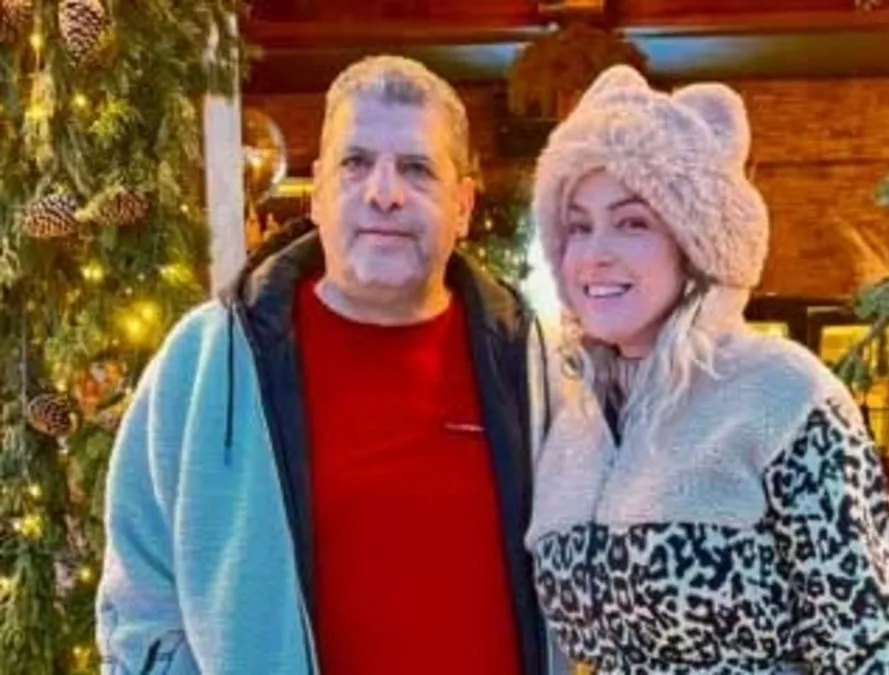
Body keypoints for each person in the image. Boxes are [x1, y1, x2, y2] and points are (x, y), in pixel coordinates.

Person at [97, 55, 555, 674]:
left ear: (464, 206)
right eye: (355, 163)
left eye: (417, 168)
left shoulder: (533, 365)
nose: (384, 194)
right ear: (316, 193)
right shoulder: (208, 363)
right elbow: (140, 604)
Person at [525, 65, 889, 674]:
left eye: (633, 222)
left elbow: (876, 652)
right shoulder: (570, 420)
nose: (594, 254)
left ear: (696, 241)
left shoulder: (785, 395)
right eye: (578, 226)